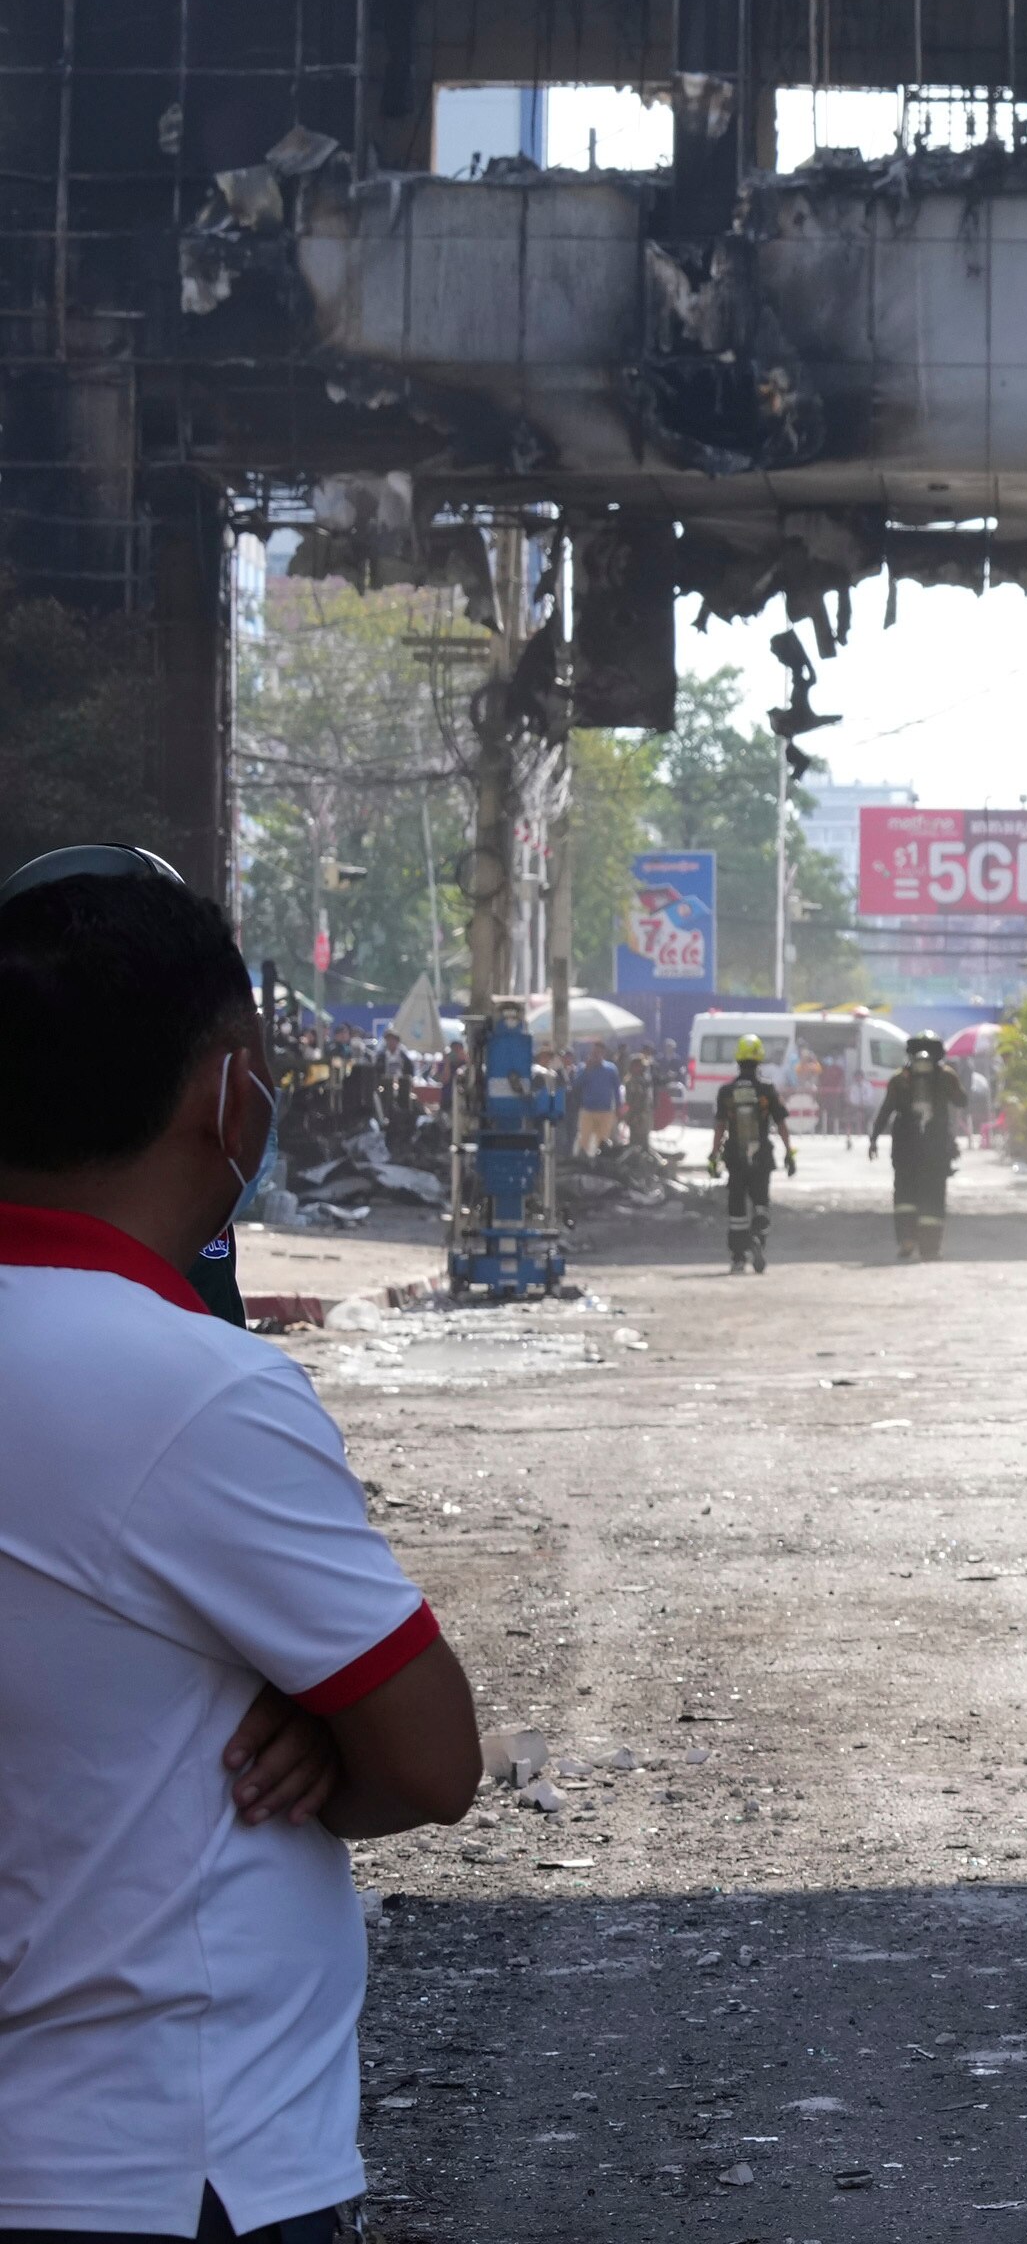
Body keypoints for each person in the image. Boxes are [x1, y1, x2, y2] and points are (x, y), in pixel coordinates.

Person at [0, 849, 482, 2244]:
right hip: (152, 2157)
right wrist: (327, 1740)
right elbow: (431, 1760)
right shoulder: (192, 1391)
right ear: (229, 1099)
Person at [865, 1033, 969, 1262]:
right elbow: (962, 1101)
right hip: (935, 1149)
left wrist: (873, 1138)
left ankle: (906, 1240)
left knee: (904, 1194)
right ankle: (930, 1248)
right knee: (933, 1196)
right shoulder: (946, 1076)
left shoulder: (899, 1079)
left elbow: (886, 1110)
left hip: (905, 1149)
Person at [710, 1039, 795, 1272]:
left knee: (737, 1206)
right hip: (762, 1156)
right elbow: (781, 1124)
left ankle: (738, 1257)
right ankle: (758, 1236)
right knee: (761, 1202)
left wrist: (713, 1156)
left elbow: (720, 1126)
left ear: (738, 1061)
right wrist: (790, 1153)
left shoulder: (726, 1092)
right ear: (759, 1061)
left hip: (735, 1157)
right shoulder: (767, 1090)